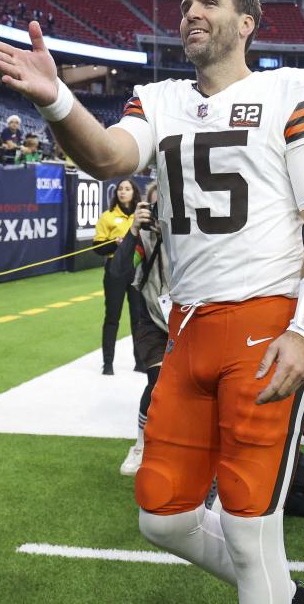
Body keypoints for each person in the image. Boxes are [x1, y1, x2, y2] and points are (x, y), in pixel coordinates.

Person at [0, 0, 304, 604]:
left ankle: (274, 592)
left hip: (262, 326)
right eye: (184, 3)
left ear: (247, 23)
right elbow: (107, 156)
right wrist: (56, 97)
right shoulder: (161, 99)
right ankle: (287, 597)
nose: (190, 11)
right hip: (188, 328)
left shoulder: (293, 90)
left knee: (248, 528)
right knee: (163, 514)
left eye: (208, 1)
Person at [108, 184, 171, 475]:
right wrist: (134, 231)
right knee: (157, 382)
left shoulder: (197, 234)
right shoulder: (143, 236)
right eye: (157, 206)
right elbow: (118, 273)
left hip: (192, 317)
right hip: (154, 319)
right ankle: (141, 445)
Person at [94, 179, 143, 375]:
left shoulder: (141, 216)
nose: (123, 192)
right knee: (112, 317)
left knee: (137, 318)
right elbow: (97, 247)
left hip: (136, 268)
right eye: (121, 189)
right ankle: (108, 364)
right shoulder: (107, 217)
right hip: (115, 270)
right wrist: (114, 243)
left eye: (127, 189)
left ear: (134, 192)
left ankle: (140, 362)